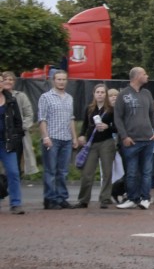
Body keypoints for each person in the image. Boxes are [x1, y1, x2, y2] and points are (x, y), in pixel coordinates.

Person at [114, 67, 154, 210]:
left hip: (147, 139)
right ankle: (132, 198)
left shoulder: (147, 93)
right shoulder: (123, 94)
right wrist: (124, 136)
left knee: (147, 171)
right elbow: (118, 118)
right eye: (145, 74)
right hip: (131, 140)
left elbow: (152, 114)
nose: (147, 76)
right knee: (132, 172)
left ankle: (145, 198)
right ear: (137, 76)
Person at [37, 70, 77, 210]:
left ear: (67, 81)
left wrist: (74, 137)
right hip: (52, 138)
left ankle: (61, 198)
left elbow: (71, 119)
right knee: (50, 171)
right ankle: (49, 199)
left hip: (66, 139)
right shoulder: (46, 97)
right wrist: (45, 137)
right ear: (53, 80)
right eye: (59, 79)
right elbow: (42, 119)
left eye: (64, 79)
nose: (61, 82)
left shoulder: (69, 98)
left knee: (63, 171)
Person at [73, 83, 117, 209]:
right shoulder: (89, 108)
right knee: (87, 173)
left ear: (106, 94)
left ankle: (105, 198)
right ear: (94, 94)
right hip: (92, 143)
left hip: (106, 142)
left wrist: (108, 126)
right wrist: (81, 135)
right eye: (98, 92)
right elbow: (85, 125)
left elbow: (118, 127)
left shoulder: (112, 110)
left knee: (107, 172)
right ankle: (83, 199)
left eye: (103, 92)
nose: (100, 94)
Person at [1, 72, 38, 177]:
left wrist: (20, 128)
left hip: (17, 137)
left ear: (14, 82)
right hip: (2, 136)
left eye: (11, 79)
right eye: (5, 79)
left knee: (15, 165)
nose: (8, 81)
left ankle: (13, 188)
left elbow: (29, 114)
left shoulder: (20, 96)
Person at [1, 78, 25, 214]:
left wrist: (17, 137)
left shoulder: (10, 100)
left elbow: (18, 121)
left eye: (0, 82)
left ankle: (16, 203)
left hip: (7, 142)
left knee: (13, 172)